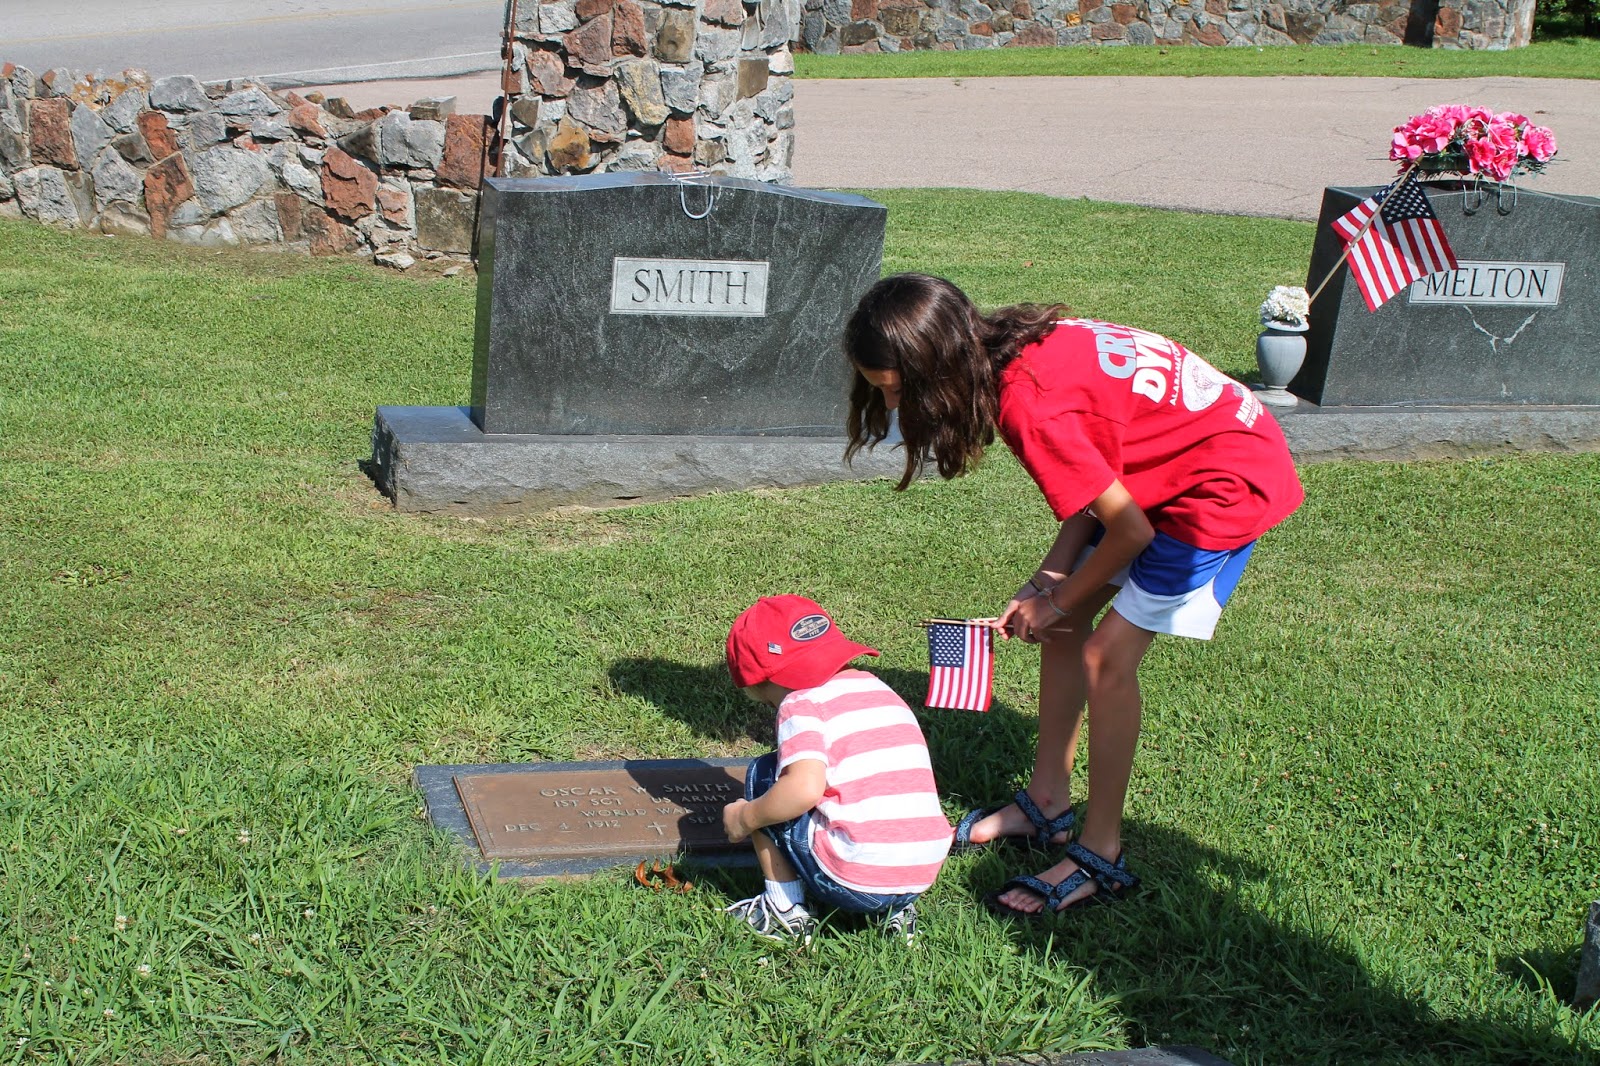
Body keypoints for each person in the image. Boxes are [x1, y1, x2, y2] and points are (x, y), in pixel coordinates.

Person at [843, 273, 1303, 918]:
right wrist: (1048, 583)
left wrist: (1055, 601)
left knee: (1104, 657)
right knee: (1061, 626)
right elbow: (1100, 484)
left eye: (896, 390)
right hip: (1168, 469)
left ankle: (1101, 852)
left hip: (1220, 484)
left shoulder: (1028, 407)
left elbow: (1130, 530)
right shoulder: (1013, 349)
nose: (891, 405)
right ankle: (1047, 803)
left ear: (937, 369)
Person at [721, 595, 954, 944]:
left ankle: (783, 911)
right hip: (921, 872)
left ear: (764, 682)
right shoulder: (879, 689)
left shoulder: (800, 702)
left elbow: (803, 790)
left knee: (766, 774)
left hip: (854, 878)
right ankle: (897, 915)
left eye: (766, 699)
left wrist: (745, 818)